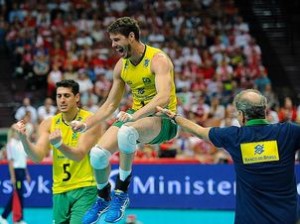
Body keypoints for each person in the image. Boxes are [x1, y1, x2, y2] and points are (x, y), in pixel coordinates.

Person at [71, 17, 178, 223]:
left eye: (117, 39)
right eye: (111, 40)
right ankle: (103, 197)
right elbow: (110, 105)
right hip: (135, 117)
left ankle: (121, 194)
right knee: (97, 155)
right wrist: (86, 124)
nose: (113, 45)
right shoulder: (121, 66)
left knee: (126, 132)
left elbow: (163, 96)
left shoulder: (158, 59)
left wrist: (134, 116)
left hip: (163, 118)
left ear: (131, 36)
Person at [157, 89, 300, 224]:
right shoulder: (289, 132)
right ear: (264, 110)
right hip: (288, 217)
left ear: (242, 115)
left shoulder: (233, 136)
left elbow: (199, 131)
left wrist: (175, 117)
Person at [12, 80, 103, 224]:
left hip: (85, 188)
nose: (62, 100)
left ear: (77, 97)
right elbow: (37, 157)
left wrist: (59, 145)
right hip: (59, 191)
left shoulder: (89, 120)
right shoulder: (49, 123)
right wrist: (24, 139)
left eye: (67, 95)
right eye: (59, 96)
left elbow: (79, 154)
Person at [0, 128, 31, 224]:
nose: (18, 134)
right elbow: (10, 162)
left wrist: (27, 174)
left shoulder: (22, 143)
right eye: (16, 132)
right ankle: (6, 216)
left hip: (22, 171)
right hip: (16, 172)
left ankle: (18, 218)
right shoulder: (11, 144)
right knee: (18, 194)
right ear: (13, 133)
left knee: (19, 195)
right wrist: (13, 176)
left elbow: (23, 160)